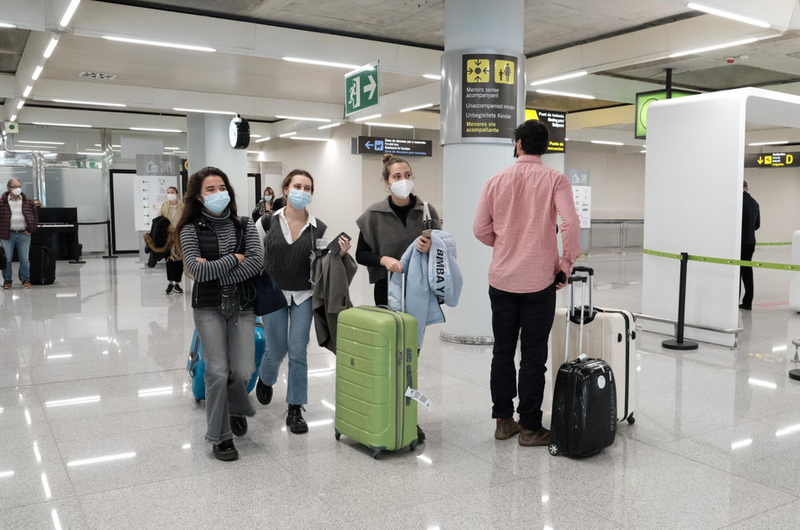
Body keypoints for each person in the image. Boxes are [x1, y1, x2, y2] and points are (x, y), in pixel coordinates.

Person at [473, 119, 581, 447]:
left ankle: (504, 422)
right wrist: (565, 264)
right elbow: (570, 223)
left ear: (518, 144)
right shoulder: (556, 179)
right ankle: (531, 428)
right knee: (534, 356)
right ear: (544, 147)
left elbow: (480, 229)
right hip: (539, 283)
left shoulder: (495, 181)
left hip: (502, 280)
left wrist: (506, 243)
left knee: (502, 352)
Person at [255, 170, 351, 434]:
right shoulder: (266, 222)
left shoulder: (319, 228)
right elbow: (255, 257)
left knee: (298, 351)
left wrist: (340, 254)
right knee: (276, 350)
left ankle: (295, 407)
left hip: (304, 295)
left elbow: (323, 261)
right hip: (273, 294)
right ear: (286, 189)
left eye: (307, 188)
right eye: (297, 186)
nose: (302, 191)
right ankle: (265, 378)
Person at [177, 167, 263, 462]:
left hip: (242, 305)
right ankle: (220, 436)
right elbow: (196, 270)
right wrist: (235, 258)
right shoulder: (190, 229)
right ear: (199, 197)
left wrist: (216, 268)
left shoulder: (245, 224)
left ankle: (233, 405)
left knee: (243, 369)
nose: (218, 193)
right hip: (208, 306)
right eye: (210, 189)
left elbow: (256, 263)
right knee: (217, 370)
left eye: (222, 188)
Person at [356, 153, 441, 307]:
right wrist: (383, 260)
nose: (403, 180)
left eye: (407, 175)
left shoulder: (427, 211)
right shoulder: (374, 215)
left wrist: (431, 247)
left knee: (417, 323)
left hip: (421, 286)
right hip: (386, 287)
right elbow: (360, 254)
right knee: (390, 323)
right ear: (387, 182)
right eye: (397, 176)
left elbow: (441, 249)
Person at [1, 179, 39, 290]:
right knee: (7, 258)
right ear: (9, 188)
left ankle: (25, 279)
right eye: (15, 186)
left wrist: (31, 229)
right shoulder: (2, 202)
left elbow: (35, 217)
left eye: (19, 186)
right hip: (7, 234)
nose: (18, 189)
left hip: (24, 234)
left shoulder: (28, 202)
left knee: (24, 258)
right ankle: (7, 280)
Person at [740, 180, 760, 311]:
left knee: (737, 270)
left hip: (740, 241)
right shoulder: (755, 203)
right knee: (747, 271)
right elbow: (757, 225)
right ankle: (748, 301)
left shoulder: (739, 201)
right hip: (751, 241)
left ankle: (734, 300)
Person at [162, 186, 184, 294]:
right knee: (170, 261)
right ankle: (170, 283)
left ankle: (177, 284)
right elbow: (157, 221)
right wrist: (167, 227)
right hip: (168, 239)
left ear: (177, 194)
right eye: (168, 192)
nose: (170, 194)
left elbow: (186, 220)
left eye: (172, 192)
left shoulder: (183, 207)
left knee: (179, 262)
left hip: (180, 237)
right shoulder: (163, 207)